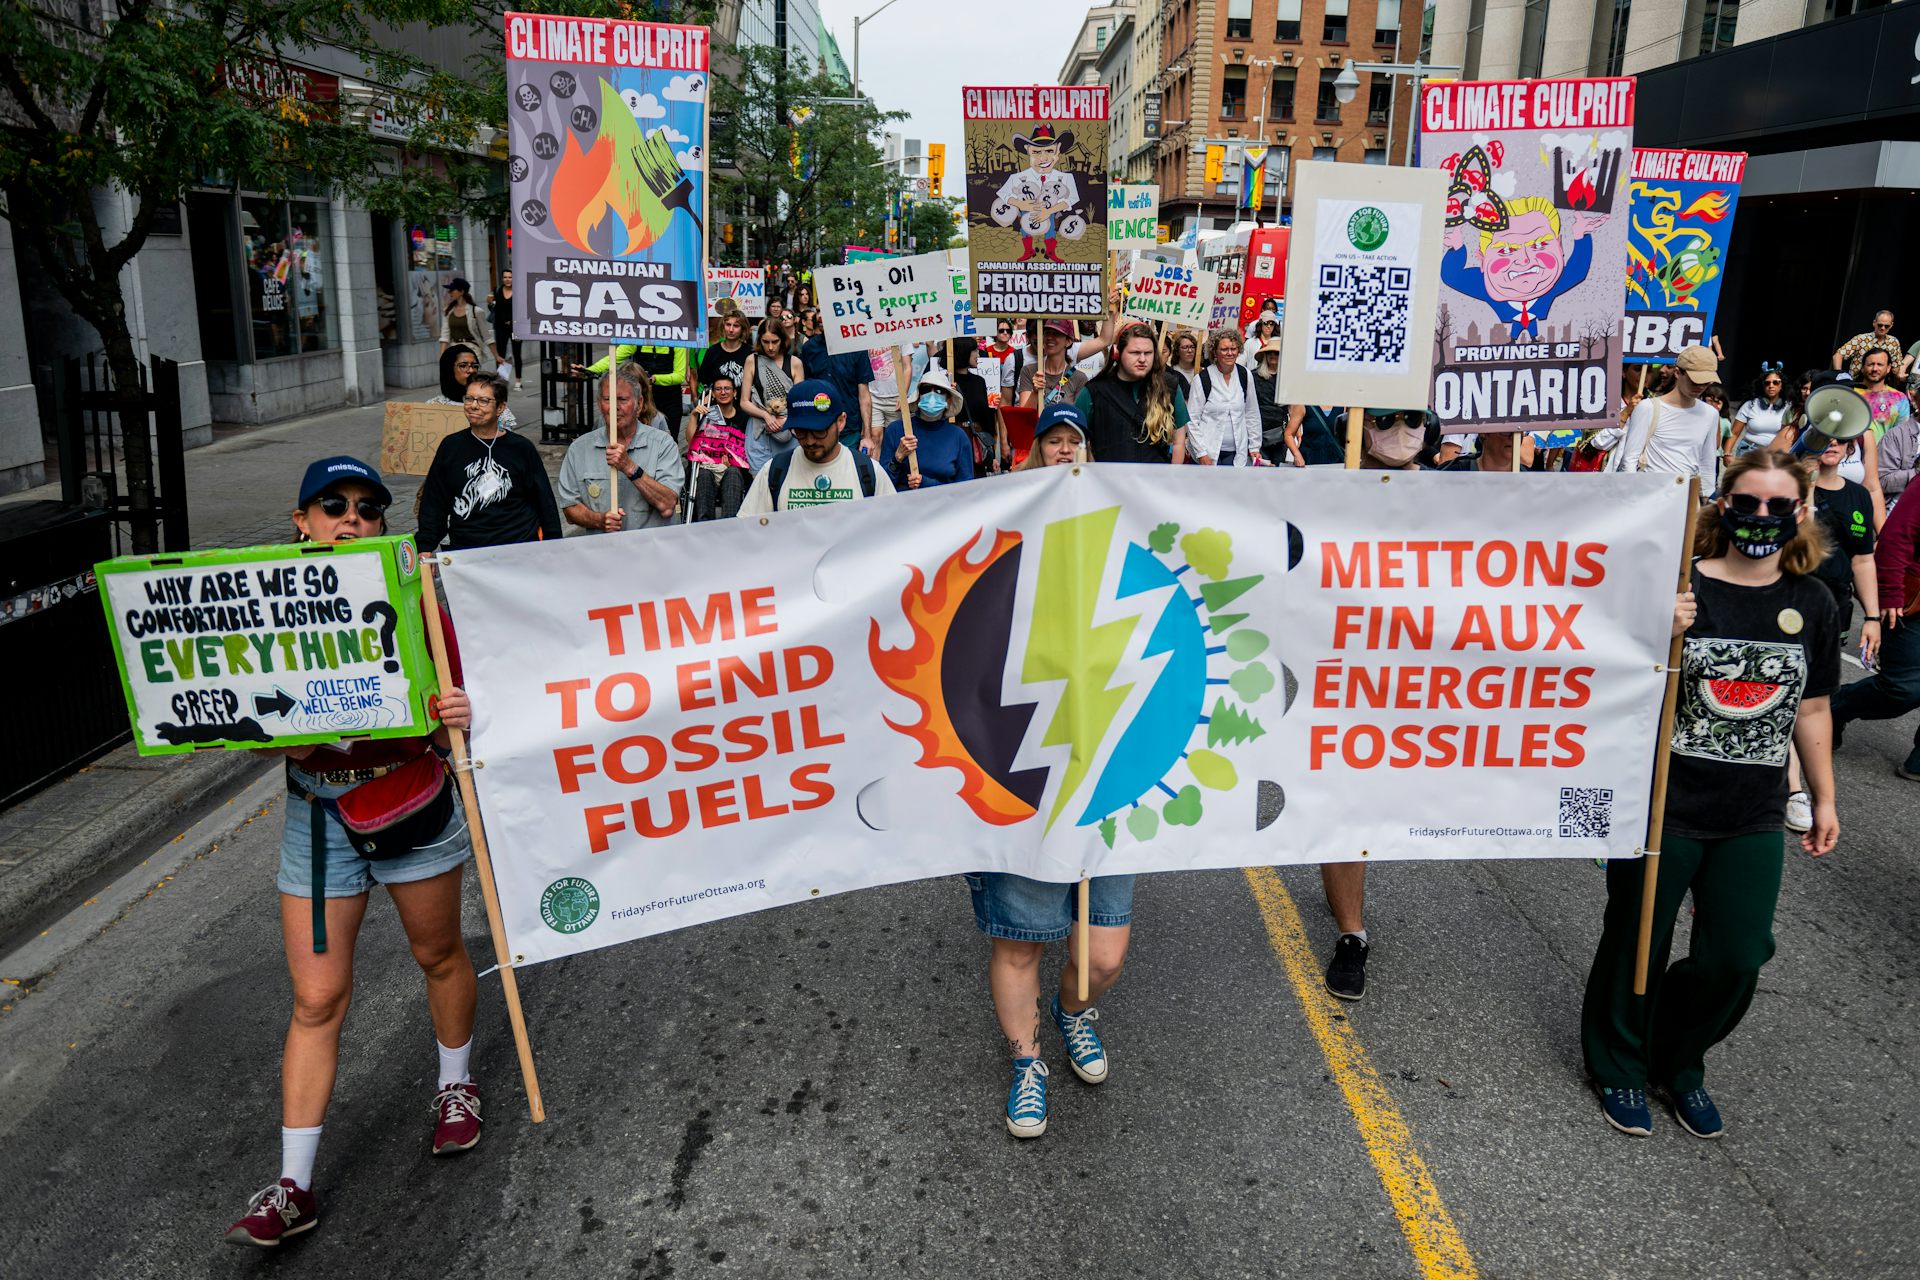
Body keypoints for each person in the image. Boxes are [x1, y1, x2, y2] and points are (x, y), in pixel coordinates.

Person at [224, 456, 481, 1247]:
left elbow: (457, 710)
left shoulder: (414, 597)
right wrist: (264, 735)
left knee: (437, 954)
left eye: (369, 508)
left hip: (409, 801)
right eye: (331, 505)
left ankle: (456, 1087)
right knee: (315, 999)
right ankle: (292, 1185)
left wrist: (456, 712)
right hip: (318, 819)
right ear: (301, 521)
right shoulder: (263, 608)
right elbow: (232, 714)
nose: (352, 519)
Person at [1582, 449, 1840, 1140]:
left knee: (1739, 953)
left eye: (1777, 506)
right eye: (1747, 502)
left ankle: (1678, 1058)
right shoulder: (1678, 587)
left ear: (1800, 513)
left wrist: (1824, 799)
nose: (1761, 516)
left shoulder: (1812, 601)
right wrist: (1653, 633)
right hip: (1664, 803)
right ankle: (1618, 1063)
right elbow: (1605, 680)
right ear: (1721, 504)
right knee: (1638, 938)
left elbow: (1812, 710)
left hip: (1752, 811)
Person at [1789, 432, 1882, 828]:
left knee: (1813, 696)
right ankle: (1793, 789)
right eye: (1824, 435)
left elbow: (1863, 561)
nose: (1833, 443)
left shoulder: (1858, 496)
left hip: (1833, 608)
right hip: (1787, 602)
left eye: (1841, 439)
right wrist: (1803, 485)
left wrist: (1873, 617)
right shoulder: (1788, 485)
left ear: (1850, 449)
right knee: (1788, 691)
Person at [1830, 474, 1920, 780]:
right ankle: (1836, 706)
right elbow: (1897, 537)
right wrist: (1890, 592)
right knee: (1902, 689)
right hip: (1913, 602)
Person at [416, 372, 560, 549]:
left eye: (483, 401)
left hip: (518, 550)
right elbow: (434, 502)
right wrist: (425, 546)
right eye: (469, 399)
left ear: (500, 408)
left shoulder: (521, 448)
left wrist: (554, 547)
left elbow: (545, 502)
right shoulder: (451, 447)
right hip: (467, 551)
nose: (473, 406)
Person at [556, 365, 684, 534]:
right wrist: (599, 520)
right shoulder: (579, 449)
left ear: (639, 405)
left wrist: (629, 467)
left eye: (622, 400)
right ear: (599, 403)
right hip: (604, 552)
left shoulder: (663, 444)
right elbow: (570, 508)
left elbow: (667, 506)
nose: (615, 407)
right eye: (608, 399)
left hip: (652, 551)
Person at [738, 381, 897, 515]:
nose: (810, 441)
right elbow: (748, 531)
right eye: (800, 432)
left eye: (819, 431)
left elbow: (891, 532)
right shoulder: (773, 471)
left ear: (840, 422)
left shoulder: (868, 472)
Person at [1601, 344, 1721, 482]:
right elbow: (1630, 458)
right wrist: (1633, 493)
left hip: (1686, 494)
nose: (1700, 386)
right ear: (1677, 373)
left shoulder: (1711, 414)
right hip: (1650, 492)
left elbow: (1708, 462)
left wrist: (1703, 495)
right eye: (1694, 380)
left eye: (1706, 382)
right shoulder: (1648, 407)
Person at [1074, 321, 1188, 464]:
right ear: (1117, 353)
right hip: (1108, 483)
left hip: (1155, 483)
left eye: (1148, 353)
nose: (1142, 359)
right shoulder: (1094, 392)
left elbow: (1179, 442)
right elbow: (1076, 439)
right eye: (1134, 353)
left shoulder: (1169, 387)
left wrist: (1171, 479)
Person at [881, 366, 975, 491]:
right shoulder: (896, 431)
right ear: (918, 396)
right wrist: (898, 457)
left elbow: (966, 489)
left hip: (943, 506)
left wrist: (927, 483)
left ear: (948, 399)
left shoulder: (958, 437)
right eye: (926, 390)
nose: (932, 395)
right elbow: (881, 485)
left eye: (939, 391)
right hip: (904, 506)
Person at [1185, 327, 1262, 467]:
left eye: (1233, 349)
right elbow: (1191, 419)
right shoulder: (1202, 379)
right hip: (1208, 452)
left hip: (1237, 453)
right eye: (1224, 349)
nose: (1230, 353)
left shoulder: (1245, 375)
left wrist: (1255, 446)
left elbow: (1252, 412)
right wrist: (1201, 453)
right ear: (1215, 352)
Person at [796, 324, 875, 456]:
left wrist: (867, 435)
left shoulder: (857, 348)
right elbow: (805, 388)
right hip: (818, 427)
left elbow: (864, 394)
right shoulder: (809, 348)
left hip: (849, 428)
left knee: (848, 473)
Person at [684, 374, 753, 521]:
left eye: (727, 388)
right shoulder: (706, 414)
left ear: (734, 393)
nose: (723, 392)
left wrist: (731, 461)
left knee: (733, 472)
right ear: (713, 394)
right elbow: (691, 442)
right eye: (719, 389)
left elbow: (747, 450)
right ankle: (704, 525)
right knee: (703, 474)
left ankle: (729, 525)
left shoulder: (744, 418)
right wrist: (694, 416)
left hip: (733, 469)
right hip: (707, 467)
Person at [742, 322, 806, 472]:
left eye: (775, 342)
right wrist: (766, 415)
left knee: (788, 477)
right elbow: (744, 401)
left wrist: (786, 419)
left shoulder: (795, 363)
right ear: (759, 341)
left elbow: (799, 402)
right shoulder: (752, 360)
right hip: (759, 428)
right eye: (765, 342)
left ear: (783, 340)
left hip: (788, 427)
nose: (770, 347)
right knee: (760, 479)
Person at [428, 347, 518, 433]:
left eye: (474, 366)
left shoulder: (494, 403)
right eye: (463, 366)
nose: (471, 370)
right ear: (449, 370)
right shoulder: (433, 406)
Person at [1726, 366, 1794, 460]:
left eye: (1776, 382)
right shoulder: (1750, 405)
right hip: (1748, 452)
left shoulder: (1789, 408)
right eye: (1767, 383)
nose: (1771, 385)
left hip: (1774, 455)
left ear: (1782, 385)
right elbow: (1734, 433)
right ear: (1762, 386)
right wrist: (1727, 454)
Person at [698, 312, 754, 418]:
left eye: (736, 326)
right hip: (716, 412)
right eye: (728, 324)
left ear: (743, 329)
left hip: (743, 412)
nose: (731, 329)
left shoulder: (750, 353)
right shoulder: (712, 352)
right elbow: (705, 382)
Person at [437, 278, 498, 367]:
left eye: (452, 290)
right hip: (454, 350)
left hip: (472, 349)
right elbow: (444, 337)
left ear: (461, 291)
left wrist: (496, 356)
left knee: (469, 377)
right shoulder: (448, 311)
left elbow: (487, 336)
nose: (449, 292)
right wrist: (442, 356)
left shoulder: (476, 311)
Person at [1249, 337, 1292, 462]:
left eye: (1277, 353)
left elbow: (1293, 408)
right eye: (1270, 352)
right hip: (1258, 433)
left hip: (1280, 434)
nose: (1273, 355)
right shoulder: (1253, 376)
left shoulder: (1287, 379)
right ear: (1265, 355)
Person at [1018, 401, 1090, 469]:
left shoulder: (1097, 481)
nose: (1065, 450)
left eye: (1075, 442)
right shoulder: (1019, 481)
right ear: (1039, 446)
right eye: (1054, 442)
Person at [1832, 309, 1901, 378]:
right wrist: (1839, 376)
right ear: (1874, 323)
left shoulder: (1894, 342)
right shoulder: (1861, 339)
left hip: (1880, 384)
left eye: (1886, 326)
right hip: (1857, 383)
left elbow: (1897, 366)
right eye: (1880, 325)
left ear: (1891, 325)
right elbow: (1838, 355)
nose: (1883, 328)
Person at [487, 271, 522, 389]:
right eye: (505, 277)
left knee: (517, 353)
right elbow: (493, 308)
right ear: (502, 279)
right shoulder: (497, 291)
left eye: (510, 277)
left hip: (515, 327)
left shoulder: (518, 292)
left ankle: (518, 380)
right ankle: (501, 380)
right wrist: (489, 303)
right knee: (500, 353)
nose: (507, 279)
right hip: (500, 326)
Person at [1287, 402, 1347, 468]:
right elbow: (1288, 434)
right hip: (1309, 463)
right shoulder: (1303, 405)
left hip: (1337, 462)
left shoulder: (1344, 405)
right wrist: (1297, 455)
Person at [1165, 329, 1200, 401]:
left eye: (1192, 347)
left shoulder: (1202, 372)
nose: (1190, 351)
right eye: (1185, 347)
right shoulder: (1171, 373)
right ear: (1177, 351)